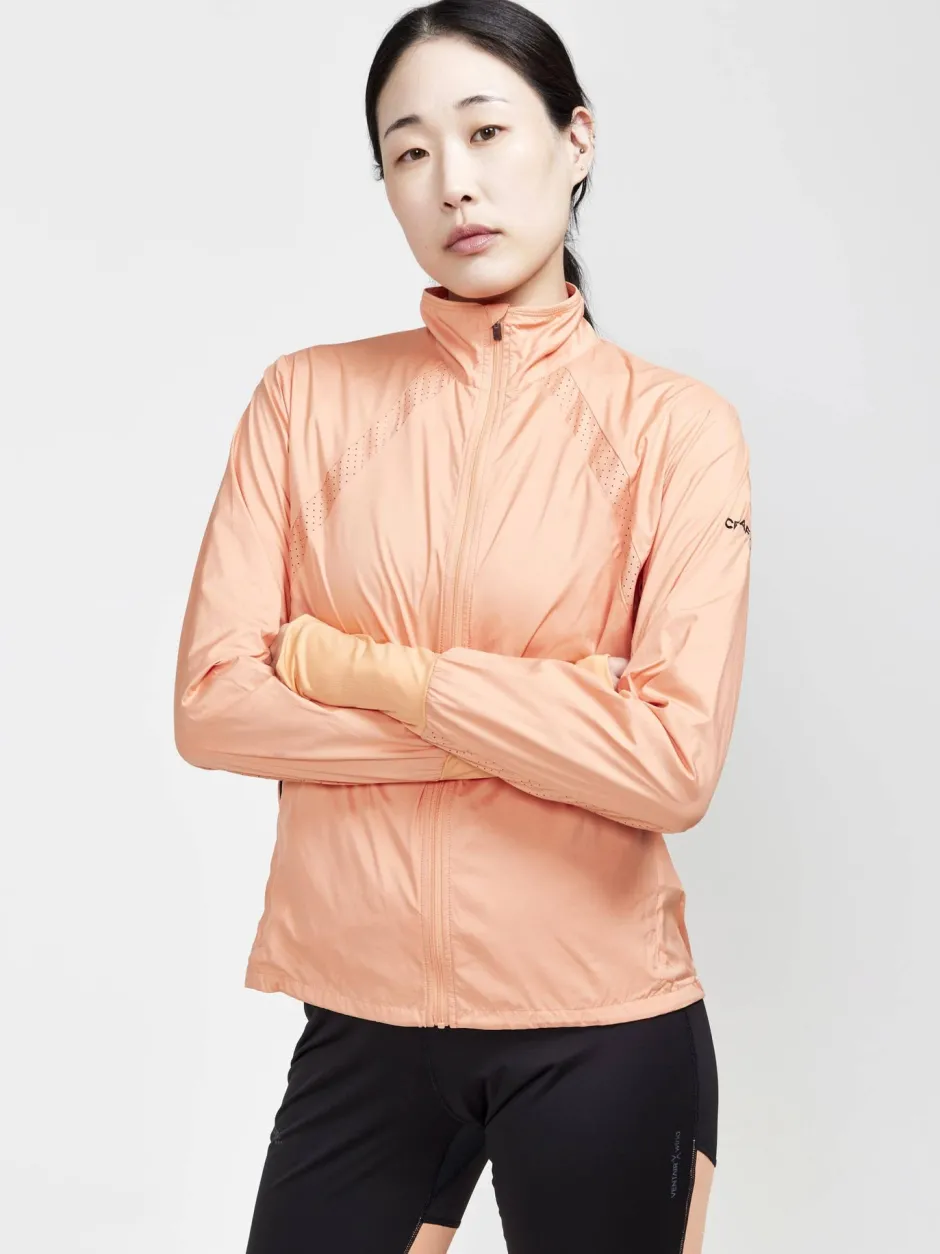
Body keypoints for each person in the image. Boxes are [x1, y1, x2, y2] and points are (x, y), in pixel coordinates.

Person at [173, 2, 752, 1250]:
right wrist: (552, 725)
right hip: (363, 1023)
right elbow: (216, 707)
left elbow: (670, 764)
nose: (453, 181)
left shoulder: (675, 432)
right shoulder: (305, 401)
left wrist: (357, 670)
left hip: (605, 1026)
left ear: (575, 140)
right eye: (410, 150)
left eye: (486, 131)